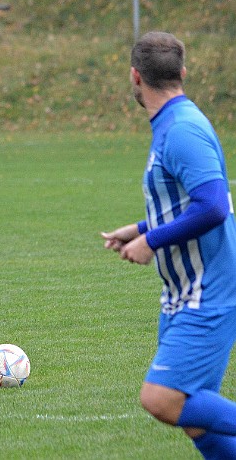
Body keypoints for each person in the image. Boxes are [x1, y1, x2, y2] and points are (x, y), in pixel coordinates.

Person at [102, 31, 236, 459]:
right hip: (184, 293)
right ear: (183, 72)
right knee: (195, 420)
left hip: (208, 292)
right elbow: (189, 201)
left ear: (134, 76)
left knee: (161, 399)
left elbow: (214, 205)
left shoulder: (182, 130)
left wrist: (152, 240)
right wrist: (141, 227)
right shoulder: (174, 124)